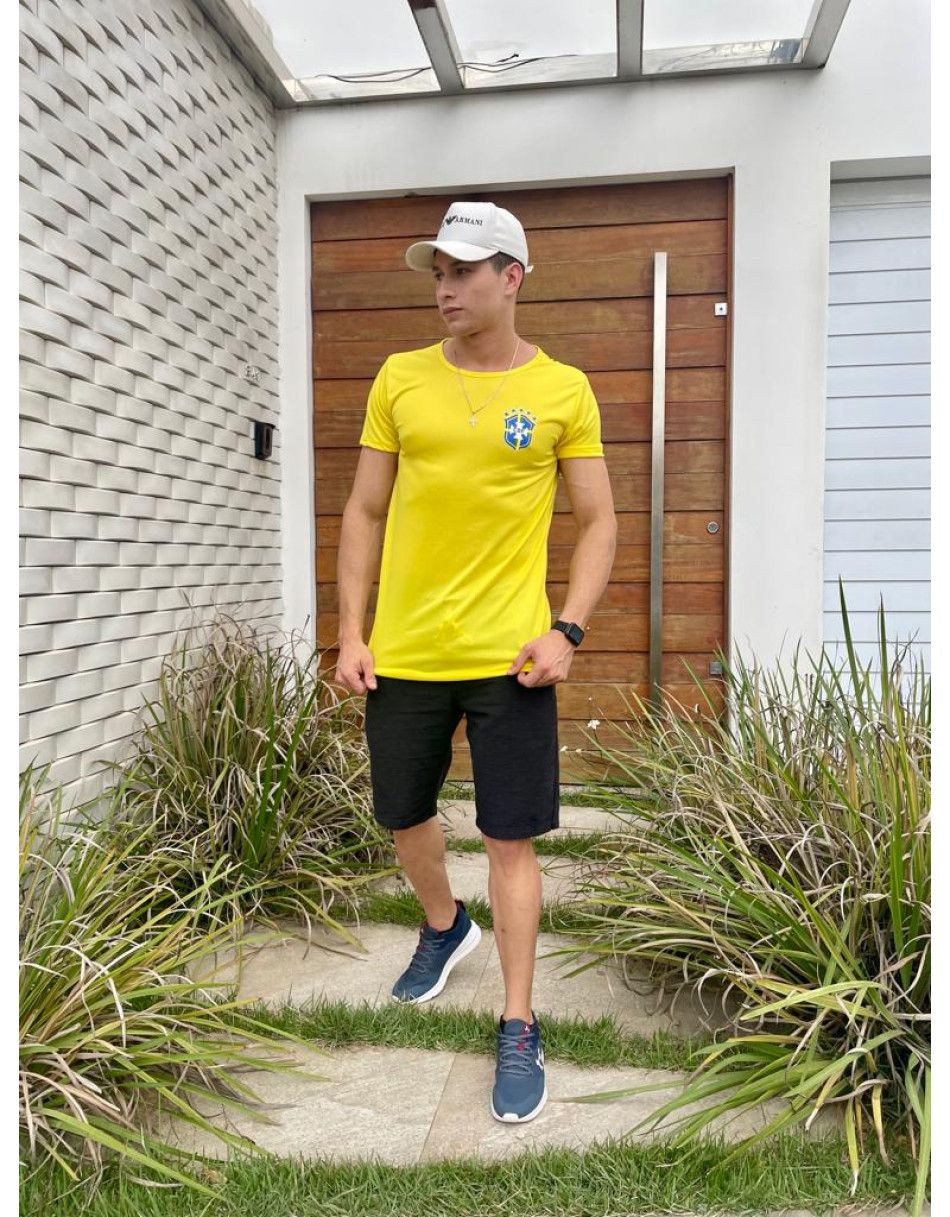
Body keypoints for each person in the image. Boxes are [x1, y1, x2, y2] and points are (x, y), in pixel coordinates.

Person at [334, 200, 617, 1123]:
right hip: (406, 651)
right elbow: (365, 510)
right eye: (439, 272)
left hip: (511, 659)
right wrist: (351, 630)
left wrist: (567, 630)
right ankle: (444, 925)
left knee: (509, 838)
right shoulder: (400, 377)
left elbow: (599, 521)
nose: (446, 288)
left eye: (463, 270)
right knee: (402, 813)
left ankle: (519, 1020)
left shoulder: (564, 390)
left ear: (511, 277)